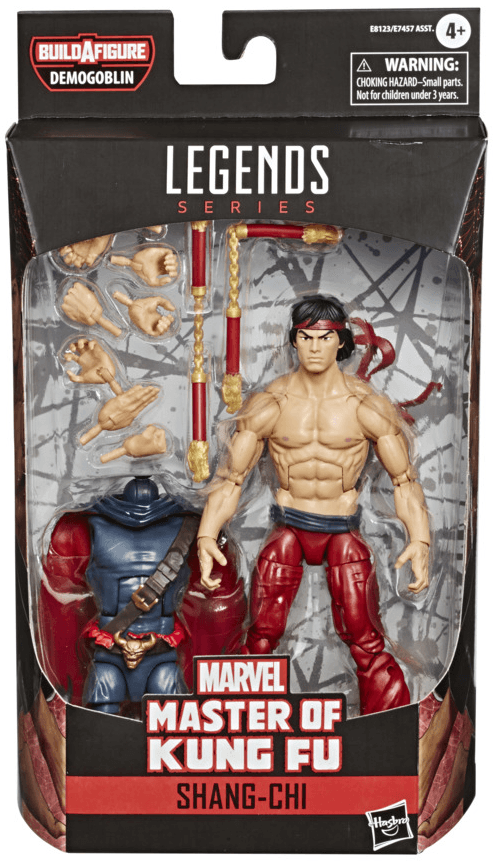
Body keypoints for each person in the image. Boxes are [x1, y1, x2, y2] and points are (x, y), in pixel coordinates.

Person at [197, 295, 430, 715]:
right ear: (293, 341)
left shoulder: (365, 405)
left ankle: (388, 722)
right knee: (261, 634)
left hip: (342, 531)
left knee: (364, 636)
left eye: (324, 338)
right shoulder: (271, 403)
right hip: (288, 527)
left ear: (341, 342)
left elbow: (404, 480)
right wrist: (206, 535)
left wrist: (420, 540)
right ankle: (237, 718)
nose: (314, 347)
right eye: (305, 337)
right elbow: (231, 478)